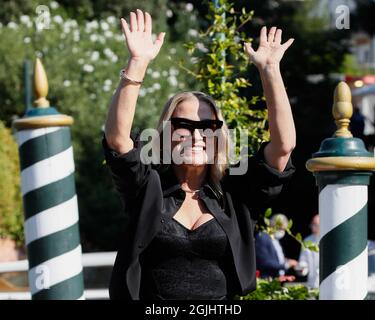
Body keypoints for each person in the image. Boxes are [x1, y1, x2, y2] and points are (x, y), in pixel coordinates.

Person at [103, 9, 296, 300]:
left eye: (208, 126)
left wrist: (269, 71)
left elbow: (283, 148)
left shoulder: (235, 191)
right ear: (167, 133)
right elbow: (117, 140)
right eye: (184, 125)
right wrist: (138, 63)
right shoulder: (148, 186)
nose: (197, 135)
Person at [255, 214, 298, 278]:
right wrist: (286, 264)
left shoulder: (276, 240)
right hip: (266, 279)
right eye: (280, 228)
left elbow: (276, 259)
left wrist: (287, 261)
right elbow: (264, 262)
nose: (282, 232)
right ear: (272, 225)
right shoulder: (262, 237)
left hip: (277, 279)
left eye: (284, 229)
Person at [298, 214, 319, 288]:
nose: (313, 228)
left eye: (316, 225)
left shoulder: (328, 239)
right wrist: (302, 268)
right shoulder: (307, 240)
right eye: (312, 225)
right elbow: (303, 260)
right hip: (312, 283)